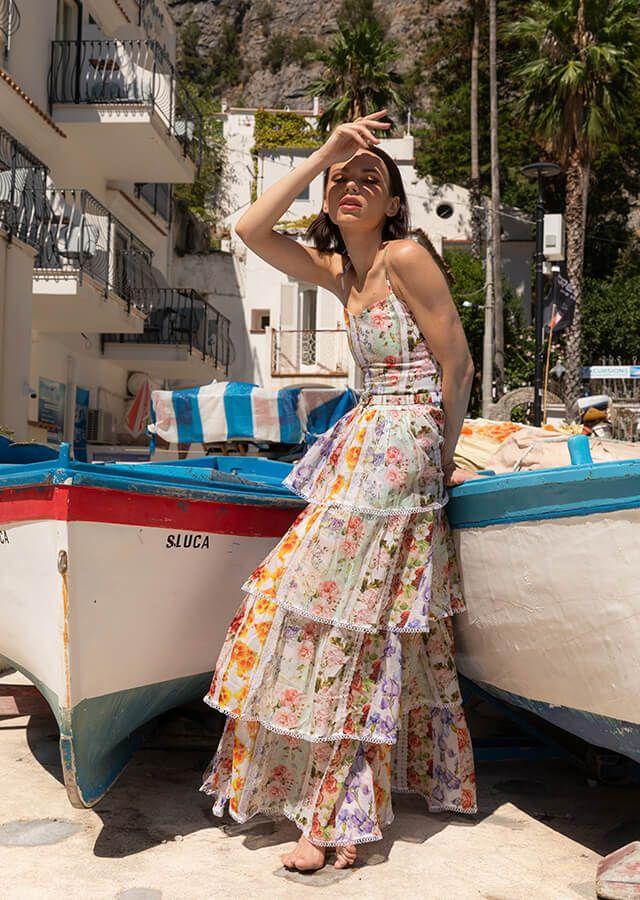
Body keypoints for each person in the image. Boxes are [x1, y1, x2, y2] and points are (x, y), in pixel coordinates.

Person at [200, 109, 479, 872]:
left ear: (394, 204)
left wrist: (437, 461)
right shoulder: (339, 271)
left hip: (405, 446)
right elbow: (250, 229)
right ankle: (328, 808)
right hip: (364, 442)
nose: (352, 186)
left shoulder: (406, 257)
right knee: (302, 607)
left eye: (370, 180)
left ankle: (331, 821)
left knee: (346, 622)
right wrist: (328, 148)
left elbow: (457, 368)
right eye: (340, 181)